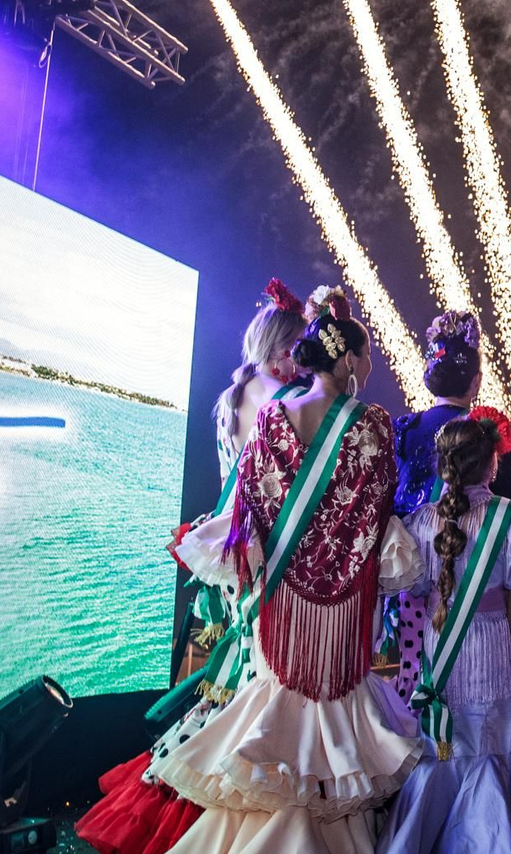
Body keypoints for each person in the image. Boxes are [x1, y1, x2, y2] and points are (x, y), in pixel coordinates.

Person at [156, 289, 425, 853]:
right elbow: (376, 512)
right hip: (343, 612)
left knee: (275, 709)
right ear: (347, 358)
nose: (371, 366)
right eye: (368, 355)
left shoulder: (273, 415)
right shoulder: (372, 424)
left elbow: (250, 507)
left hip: (280, 605)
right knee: (336, 727)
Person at [76, 278, 310, 854]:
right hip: (264, 556)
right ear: (276, 347)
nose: (296, 361)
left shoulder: (230, 400)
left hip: (230, 552)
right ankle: (220, 800)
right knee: (255, 677)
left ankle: (203, 781)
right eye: (293, 350)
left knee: (234, 678)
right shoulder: (283, 404)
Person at [378, 418, 511, 854]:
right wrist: (503, 640)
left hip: (439, 636)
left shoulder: (420, 522)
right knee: (492, 738)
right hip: (489, 641)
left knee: (442, 741)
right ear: (492, 464)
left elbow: (415, 589)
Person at [392, 309, 511, 703]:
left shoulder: (404, 429)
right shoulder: (489, 432)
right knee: (481, 692)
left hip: (415, 581)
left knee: (417, 679)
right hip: (482, 584)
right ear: (476, 380)